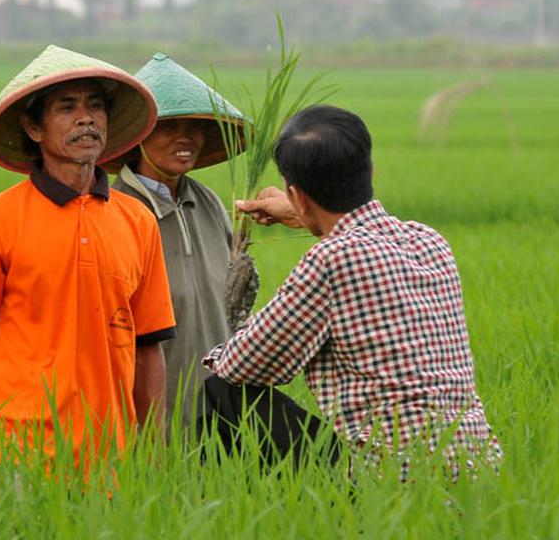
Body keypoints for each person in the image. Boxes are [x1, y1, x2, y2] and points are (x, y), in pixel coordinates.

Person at [202, 105, 501, 477]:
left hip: (393, 476)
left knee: (223, 390)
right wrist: (303, 212)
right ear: (370, 171)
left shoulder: (331, 259)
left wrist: (214, 352)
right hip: (477, 466)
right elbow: (364, 233)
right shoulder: (429, 241)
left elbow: (246, 365)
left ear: (297, 194)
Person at [0, 45, 177, 467]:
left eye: (95, 106)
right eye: (66, 108)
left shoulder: (138, 221)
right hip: (13, 448)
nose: (85, 118)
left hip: (108, 456)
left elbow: (148, 348)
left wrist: (154, 451)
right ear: (34, 129)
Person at [106, 53, 256, 429]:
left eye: (194, 126)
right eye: (169, 126)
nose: (185, 137)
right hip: (148, 405)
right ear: (137, 135)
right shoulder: (116, 211)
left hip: (220, 402)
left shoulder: (207, 203)